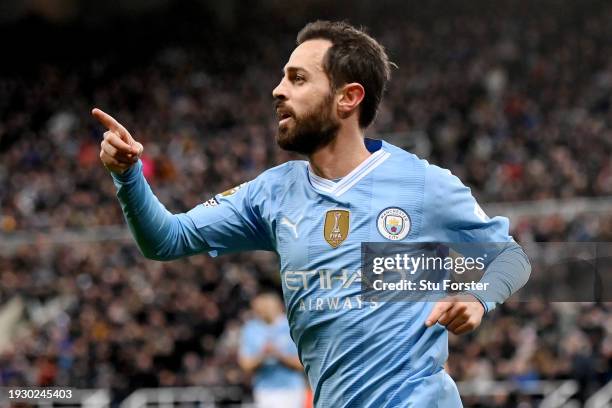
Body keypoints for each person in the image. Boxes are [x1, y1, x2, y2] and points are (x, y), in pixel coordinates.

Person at [93, 20, 531, 407]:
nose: (278, 90)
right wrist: (128, 176)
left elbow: (512, 257)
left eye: (297, 79)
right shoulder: (272, 193)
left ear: (348, 97)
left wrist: (477, 296)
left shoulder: (422, 184)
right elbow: (165, 240)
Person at [238, 292, 306, 408]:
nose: (259, 310)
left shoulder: (291, 326)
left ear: (276, 305)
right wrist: (263, 355)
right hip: (264, 390)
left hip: (291, 389)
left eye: (264, 306)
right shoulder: (251, 329)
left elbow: (302, 364)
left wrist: (278, 355)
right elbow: (245, 365)